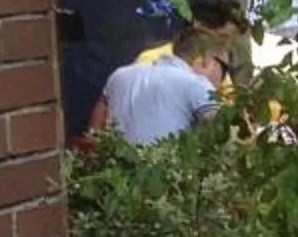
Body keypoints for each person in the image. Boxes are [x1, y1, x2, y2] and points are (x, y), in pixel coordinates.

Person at [92, 18, 227, 146]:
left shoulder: (119, 75)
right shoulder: (196, 84)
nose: (223, 80)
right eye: (224, 69)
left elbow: (95, 127)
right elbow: (222, 135)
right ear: (207, 61)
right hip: (166, 168)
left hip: (114, 167)